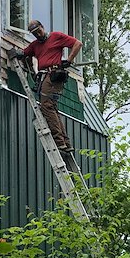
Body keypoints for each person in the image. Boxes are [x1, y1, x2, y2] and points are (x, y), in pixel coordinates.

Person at [11, 19, 82, 170]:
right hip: (44, 77)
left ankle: (59, 141)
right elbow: (25, 53)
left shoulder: (56, 36)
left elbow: (78, 44)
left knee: (47, 107)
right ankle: (65, 143)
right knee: (52, 108)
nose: (37, 34)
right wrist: (17, 54)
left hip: (54, 75)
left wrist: (69, 60)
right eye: (34, 33)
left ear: (43, 27)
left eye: (38, 31)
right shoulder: (35, 45)